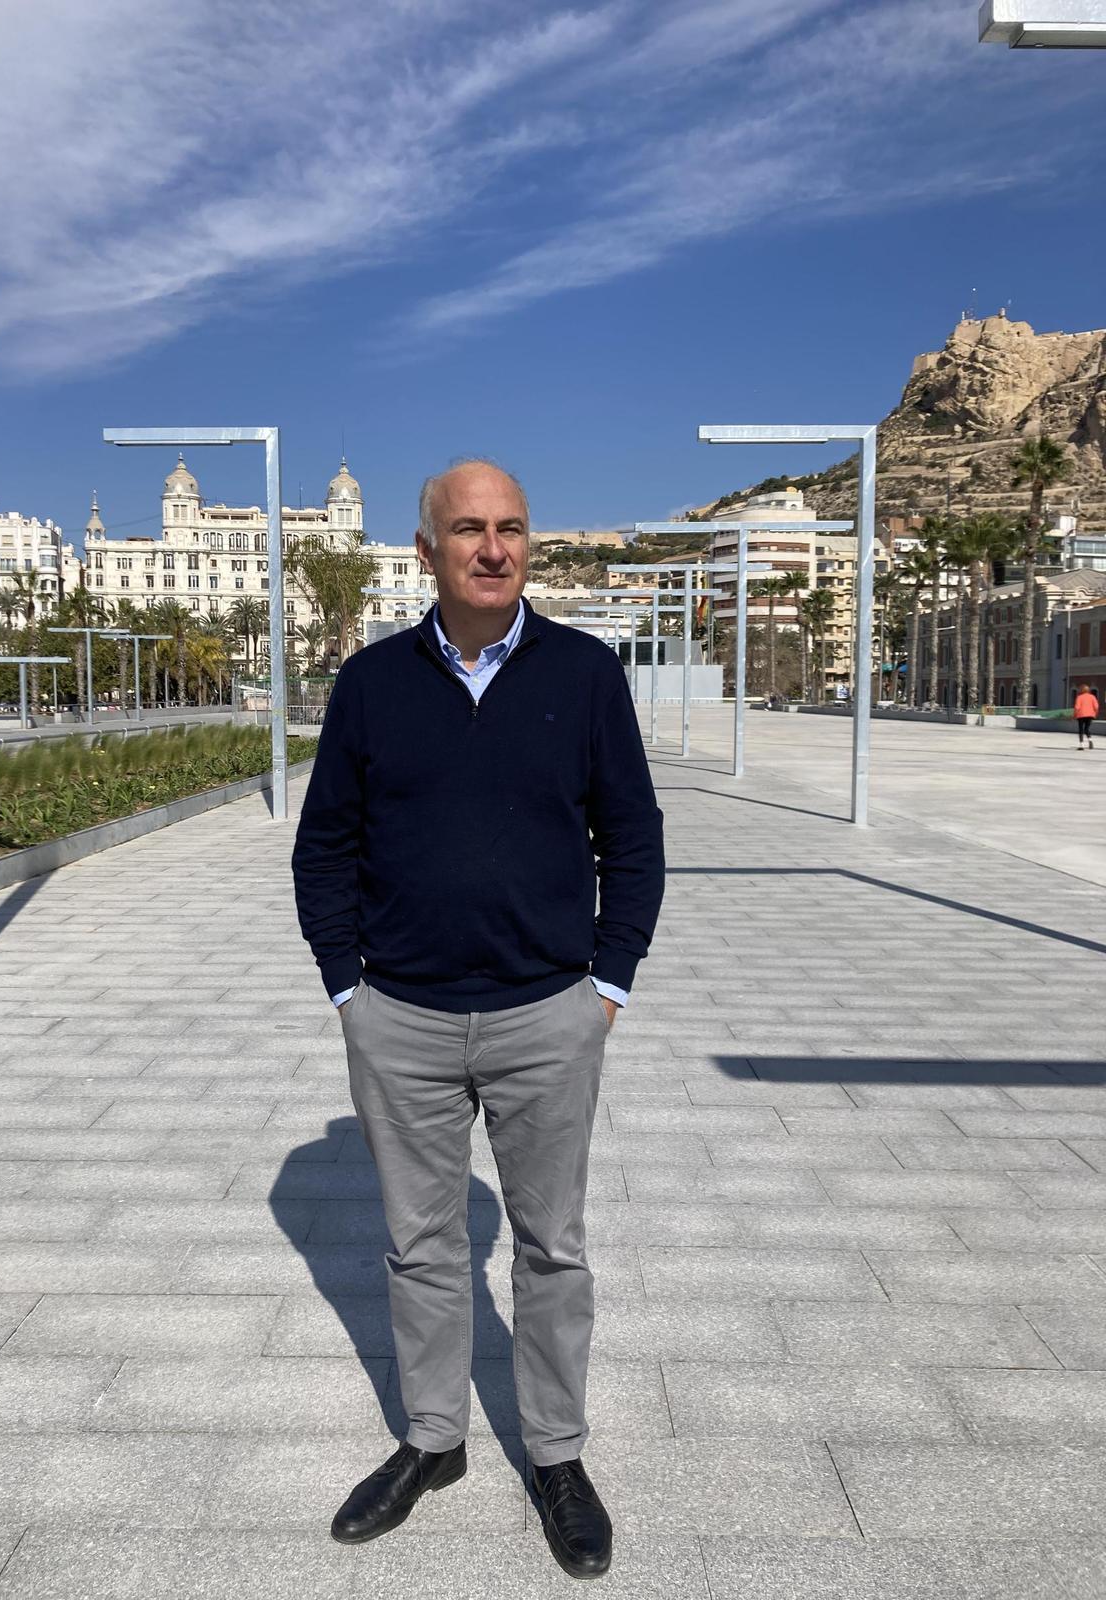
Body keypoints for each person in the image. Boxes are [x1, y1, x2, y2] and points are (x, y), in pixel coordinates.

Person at [292, 458, 665, 1580]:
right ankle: (433, 1439)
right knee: (418, 1244)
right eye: (468, 529)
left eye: (511, 528)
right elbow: (326, 849)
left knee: (552, 1245)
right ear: (426, 552)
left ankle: (555, 1453)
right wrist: (347, 989)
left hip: (547, 1013)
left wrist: (607, 984)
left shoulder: (587, 674)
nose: (494, 547)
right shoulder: (370, 683)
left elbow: (633, 842)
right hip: (398, 1016)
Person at [1073, 683, 1098, 750]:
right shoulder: (1092, 697)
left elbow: (1077, 707)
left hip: (1081, 715)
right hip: (1090, 715)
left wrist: (1074, 715)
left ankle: (1081, 745)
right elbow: (1096, 706)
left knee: (1081, 730)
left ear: (1081, 690)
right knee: (1087, 729)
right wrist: (1095, 713)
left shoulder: (1079, 697)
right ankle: (1090, 741)